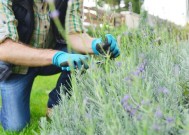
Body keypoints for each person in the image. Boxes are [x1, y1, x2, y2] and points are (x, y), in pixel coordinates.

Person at [0, 0, 120, 131]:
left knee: (82, 53)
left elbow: (74, 34)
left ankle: (56, 104)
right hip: (17, 64)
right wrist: (56, 56)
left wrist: (95, 44)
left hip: (51, 56)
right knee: (15, 126)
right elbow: (4, 48)